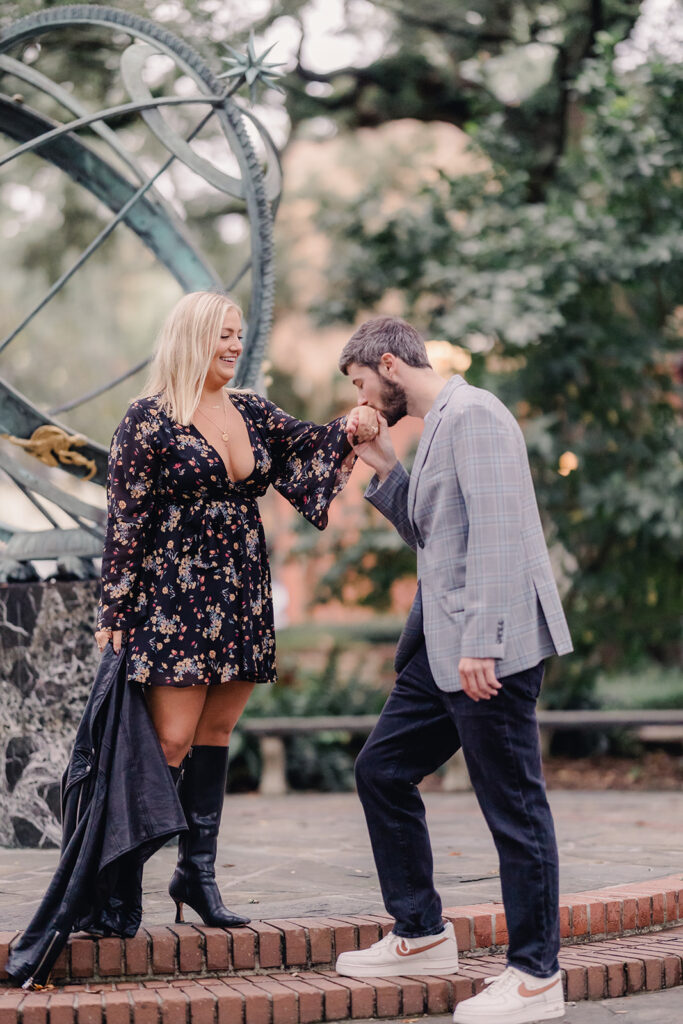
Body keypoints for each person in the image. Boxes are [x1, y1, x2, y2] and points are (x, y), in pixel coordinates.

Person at [93, 290, 377, 931]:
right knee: (168, 740)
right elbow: (126, 518)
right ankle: (122, 880)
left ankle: (198, 874)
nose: (234, 343)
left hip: (240, 593)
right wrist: (115, 609)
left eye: (239, 333)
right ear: (192, 337)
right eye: (222, 333)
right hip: (173, 598)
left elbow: (310, 443)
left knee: (216, 734)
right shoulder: (147, 418)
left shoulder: (250, 409)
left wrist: (353, 424)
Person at [338, 317, 572, 1024]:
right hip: (441, 650)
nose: (361, 399)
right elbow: (430, 530)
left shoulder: (474, 415)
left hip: (480, 651)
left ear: (388, 363)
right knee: (380, 771)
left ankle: (536, 977)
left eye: (359, 384)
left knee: (513, 809)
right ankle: (420, 933)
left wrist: (484, 643)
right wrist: (383, 461)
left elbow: (499, 533)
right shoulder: (438, 421)